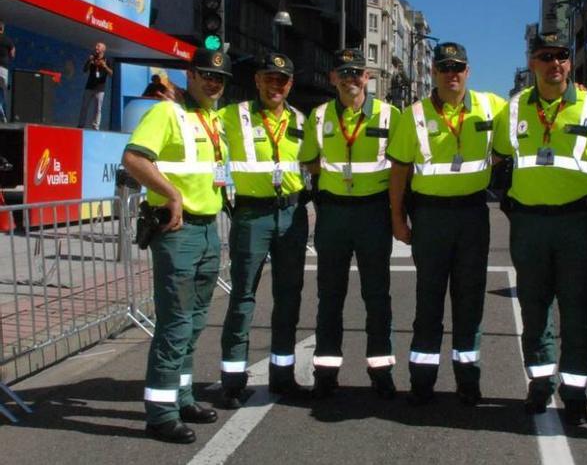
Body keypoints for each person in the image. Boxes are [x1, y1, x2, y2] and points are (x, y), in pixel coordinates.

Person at [492, 32, 587, 425]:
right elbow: (497, 163)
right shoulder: (512, 112)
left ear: (570, 62)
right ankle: (540, 383)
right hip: (530, 226)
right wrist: (511, 204)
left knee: (577, 312)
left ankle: (576, 393)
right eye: (546, 57)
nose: (555, 64)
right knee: (534, 310)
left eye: (561, 56)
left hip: (577, 224)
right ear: (532, 63)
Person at [121, 48, 232, 444]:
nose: (213, 82)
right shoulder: (167, 113)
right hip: (177, 230)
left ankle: (183, 397)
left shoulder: (212, 118)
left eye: (219, 78)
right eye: (205, 75)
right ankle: (161, 413)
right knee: (175, 324)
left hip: (206, 229)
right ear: (190, 75)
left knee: (196, 320)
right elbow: (133, 158)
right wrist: (170, 194)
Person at [387, 42, 505, 406]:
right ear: (434, 73)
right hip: (431, 217)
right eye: (445, 68)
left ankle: (467, 381)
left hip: (472, 215)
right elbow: (399, 171)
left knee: (470, 302)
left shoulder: (492, 107)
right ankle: (422, 381)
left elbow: (515, 135)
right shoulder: (414, 114)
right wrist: (397, 218)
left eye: (458, 67)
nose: (452, 74)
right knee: (429, 302)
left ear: (468, 72)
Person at [300, 49, 401, 399]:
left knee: (377, 295)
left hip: (374, 214)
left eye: (357, 72)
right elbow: (311, 163)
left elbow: (402, 166)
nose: (350, 79)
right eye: (343, 72)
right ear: (332, 78)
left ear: (367, 77)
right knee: (330, 295)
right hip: (334, 214)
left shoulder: (392, 116)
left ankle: (381, 369)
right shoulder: (318, 116)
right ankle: (326, 371)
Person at [218, 53, 309, 408]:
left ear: (290, 85)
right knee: (242, 297)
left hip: (291, 214)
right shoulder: (232, 115)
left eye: (283, 80)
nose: (276, 85)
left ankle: (282, 376)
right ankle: (232, 380)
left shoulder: (300, 121)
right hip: (251, 216)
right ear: (257, 80)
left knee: (289, 298)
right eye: (270, 78)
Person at [78, 42, 112, 129]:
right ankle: (81, 125)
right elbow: (85, 70)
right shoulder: (92, 58)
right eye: (96, 46)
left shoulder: (107, 60)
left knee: (98, 108)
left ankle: (96, 126)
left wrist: (105, 66)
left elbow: (111, 74)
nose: (96, 47)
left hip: (100, 88)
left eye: (98, 46)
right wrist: (89, 61)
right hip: (89, 87)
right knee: (84, 106)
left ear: (103, 49)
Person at [0, 19, 14, 123]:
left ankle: (2, 114)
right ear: (3, 29)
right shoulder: (7, 40)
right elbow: (13, 52)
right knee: (5, 93)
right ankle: (5, 117)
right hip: (4, 69)